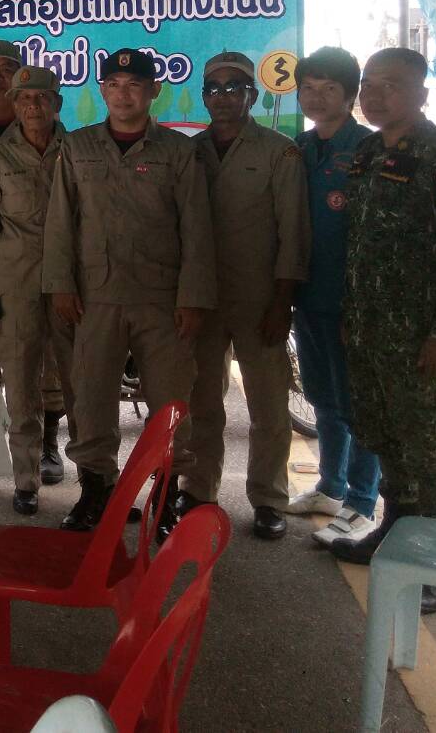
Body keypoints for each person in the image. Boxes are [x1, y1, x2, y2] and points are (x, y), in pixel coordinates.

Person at [329, 48, 436, 617]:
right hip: (371, 332)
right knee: (388, 440)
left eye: (390, 85)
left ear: (421, 93)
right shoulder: (369, 153)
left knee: (431, 452)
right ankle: (395, 536)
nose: (374, 96)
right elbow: (361, 245)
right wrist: (352, 316)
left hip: (422, 338)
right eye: (369, 84)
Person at [44, 48, 216, 535]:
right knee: (91, 400)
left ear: (153, 91)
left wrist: (193, 297)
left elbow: (196, 229)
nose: (123, 95)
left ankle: (164, 499)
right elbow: (61, 222)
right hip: (94, 297)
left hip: (161, 299)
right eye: (114, 85)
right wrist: (60, 285)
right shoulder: (77, 147)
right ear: (102, 90)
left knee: (169, 403)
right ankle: (95, 493)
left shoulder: (177, 151)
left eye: (134, 85)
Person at [182, 52, 310, 541]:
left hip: (260, 300)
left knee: (268, 407)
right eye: (213, 88)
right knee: (202, 402)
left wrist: (283, 301)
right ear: (203, 97)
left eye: (233, 87)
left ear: (252, 96)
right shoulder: (190, 152)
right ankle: (199, 490)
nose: (223, 97)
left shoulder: (280, 152)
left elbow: (293, 232)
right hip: (203, 299)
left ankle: (269, 499)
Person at [0, 65, 74, 515]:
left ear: (56, 103)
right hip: (16, 289)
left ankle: (96, 480)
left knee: (81, 385)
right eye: (24, 98)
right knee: (22, 387)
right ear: (14, 104)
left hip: (71, 288)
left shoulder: (80, 152)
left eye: (42, 97)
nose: (33, 106)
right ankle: (26, 480)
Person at [283, 47, 381, 546]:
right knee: (322, 397)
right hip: (308, 296)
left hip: (352, 304)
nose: (316, 97)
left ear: (350, 95)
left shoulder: (369, 150)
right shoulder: (299, 148)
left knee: (356, 404)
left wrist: (360, 304)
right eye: (308, 88)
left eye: (329, 89)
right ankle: (330, 487)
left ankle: (362, 502)